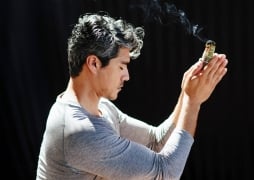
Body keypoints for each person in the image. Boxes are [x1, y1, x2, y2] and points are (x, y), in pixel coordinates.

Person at [36, 11, 228, 180]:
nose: (127, 76)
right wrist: (193, 102)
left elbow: (155, 142)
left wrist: (186, 94)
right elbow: (166, 174)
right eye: (121, 66)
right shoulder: (80, 131)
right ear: (94, 63)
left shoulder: (101, 106)